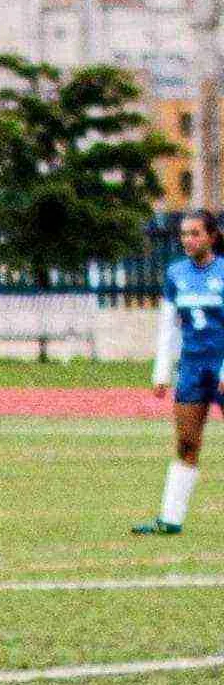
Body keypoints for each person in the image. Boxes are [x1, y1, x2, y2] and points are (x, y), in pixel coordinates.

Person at [136, 210, 224, 535]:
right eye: (185, 234)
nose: (188, 239)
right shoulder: (176, 273)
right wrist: (162, 372)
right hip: (192, 369)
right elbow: (169, 327)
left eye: (195, 233)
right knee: (186, 443)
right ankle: (170, 519)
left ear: (211, 236)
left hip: (220, 365)